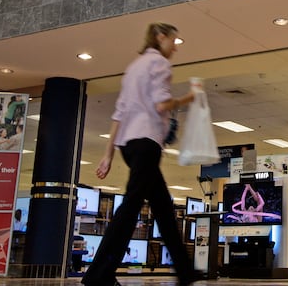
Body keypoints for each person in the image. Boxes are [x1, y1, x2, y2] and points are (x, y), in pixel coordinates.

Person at [81, 22, 199, 286]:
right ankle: (98, 274)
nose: (175, 49)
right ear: (160, 37)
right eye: (173, 41)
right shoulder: (159, 64)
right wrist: (188, 99)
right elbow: (162, 103)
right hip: (147, 141)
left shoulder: (133, 68)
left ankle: (185, 271)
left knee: (163, 207)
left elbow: (119, 113)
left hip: (128, 144)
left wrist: (108, 153)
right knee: (131, 206)